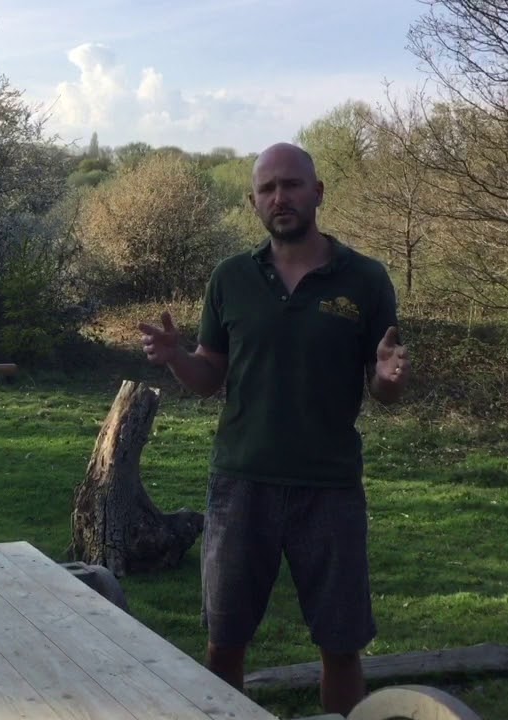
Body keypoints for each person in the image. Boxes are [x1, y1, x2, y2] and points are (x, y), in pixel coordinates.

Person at [138, 142, 410, 716]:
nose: (279, 197)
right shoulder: (231, 278)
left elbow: (382, 389)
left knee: (341, 646)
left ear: (318, 192)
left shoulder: (365, 279)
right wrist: (176, 357)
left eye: (291, 184)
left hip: (330, 487)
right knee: (224, 642)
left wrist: (389, 377)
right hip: (241, 485)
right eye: (267, 189)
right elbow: (210, 377)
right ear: (254, 202)